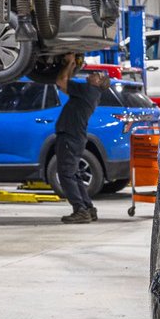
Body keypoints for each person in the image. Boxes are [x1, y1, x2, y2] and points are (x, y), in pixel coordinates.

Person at [54, 54, 108, 223]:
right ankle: (88, 208)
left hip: (70, 137)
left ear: (98, 83)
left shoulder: (88, 90)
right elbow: (66, 83)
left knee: (66, 175)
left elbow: (60, 82)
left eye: (97, 75)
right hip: (75, 138)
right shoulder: (90, 92)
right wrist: (70, 65)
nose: (93, 74)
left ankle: (80, 210)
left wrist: (69, 62)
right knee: (74, 174)